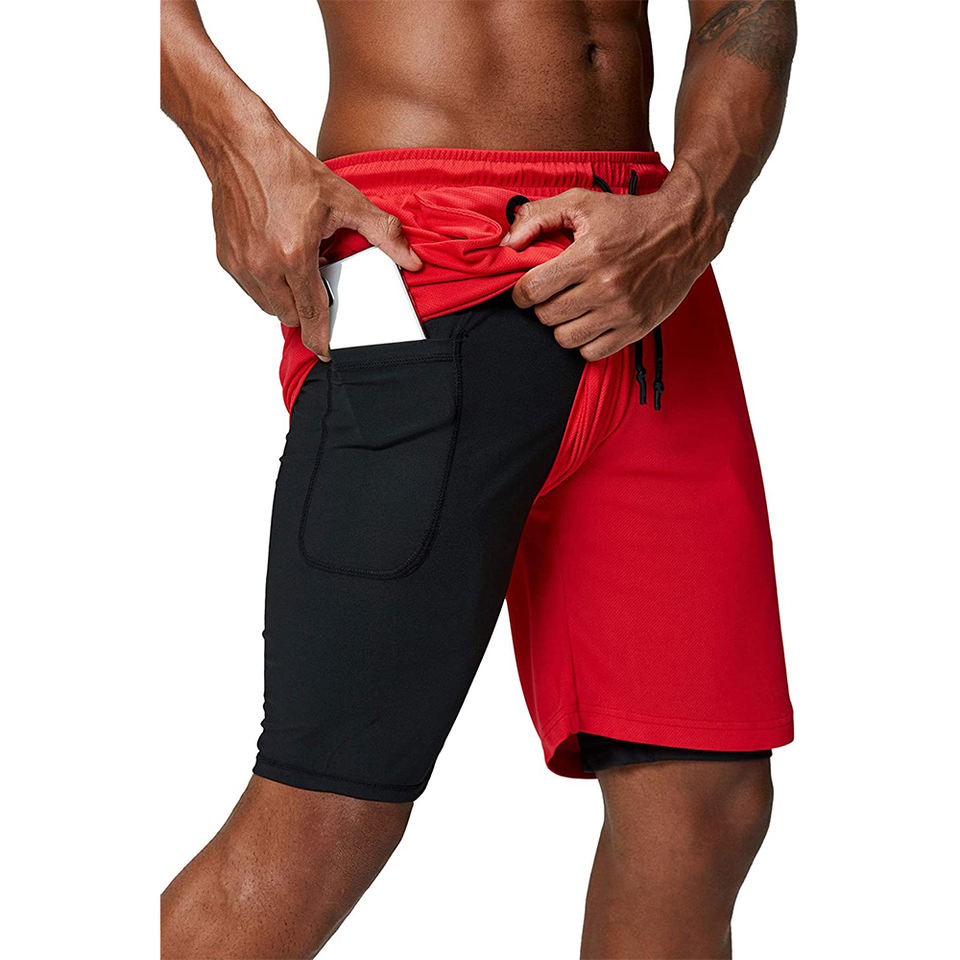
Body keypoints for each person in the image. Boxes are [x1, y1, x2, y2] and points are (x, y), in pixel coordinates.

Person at [160, 1, 797, 956]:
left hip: (643, 266)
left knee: (705, 804)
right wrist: (235, 141)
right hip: (422, 254)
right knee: (326, 816)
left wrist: (691, 212)